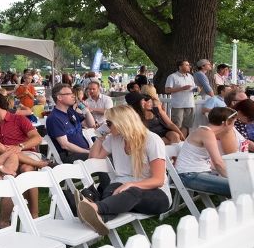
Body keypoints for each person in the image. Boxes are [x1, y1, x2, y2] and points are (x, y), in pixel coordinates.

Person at [78, 105, 171, 235]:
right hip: (122, 192)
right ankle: (100, 218)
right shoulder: (114, 138)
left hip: (157, 194)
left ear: (122, 122)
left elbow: (158, 180)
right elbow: (93, 158)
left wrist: (132, 184)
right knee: (112, 189)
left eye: (109, 123)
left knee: (131, 191)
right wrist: (100, 136)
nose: (107, 125)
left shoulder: (151, 140)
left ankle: (94, 207)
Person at [0, 93, 50, 222]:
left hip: (27, 153)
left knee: (26, 169)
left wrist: (20, 146)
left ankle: (34, 215)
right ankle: (40, 164)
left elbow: (37, 138)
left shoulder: (19, 119)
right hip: (9, 160)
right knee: (0, 147)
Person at [174, 106, 235, 198]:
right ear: (226, 123)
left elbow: (213, 163)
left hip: (196, 173)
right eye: (234, 123)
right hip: (189, 176)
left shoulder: (205, 131)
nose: (234, 126)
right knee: (238, 187)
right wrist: (233, 178)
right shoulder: (206, 133)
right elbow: (218, 162)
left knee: (241, 185)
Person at [46, 83, 95, 162]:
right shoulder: (54, 118)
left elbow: (91, 125)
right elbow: (65, 145)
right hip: (70, 155)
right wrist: (88, 152)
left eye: (72, 93)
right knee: (102, 158)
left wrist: (86, 111)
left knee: (107, 153)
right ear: (59, 97)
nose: (73, 96)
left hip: (83, 151)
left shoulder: (71, 111)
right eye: (69, 94)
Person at [164, 60, 196, 137]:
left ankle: (183, 142)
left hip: (190, 103)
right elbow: (167, 90)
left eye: (189, 65)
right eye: (187, 65)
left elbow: (193, 88)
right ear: (180, 67)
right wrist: (182, 88)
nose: (189, 66)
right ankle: (176, 141)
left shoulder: (190, 76)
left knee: (186, 125)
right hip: (178, 105)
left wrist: (196, 89)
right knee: (177, 125)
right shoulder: (172, 76)